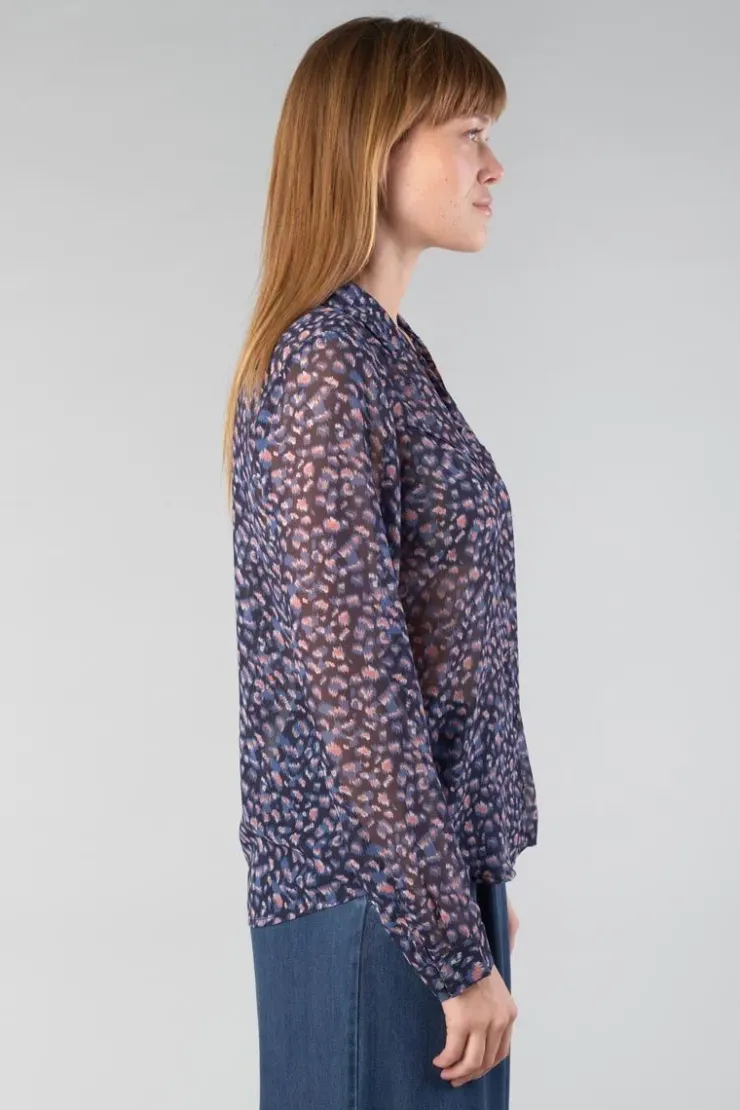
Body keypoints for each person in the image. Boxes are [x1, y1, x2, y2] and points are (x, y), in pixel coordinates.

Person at [221, 15, 539, 1109]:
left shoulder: (380, 352)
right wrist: (447, 931)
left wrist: (472, 889)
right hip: (372, 905)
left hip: (413, 896)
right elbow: (355, 686)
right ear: (373, 146)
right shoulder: (326, 365)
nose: (493, 165)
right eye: (468, 131)